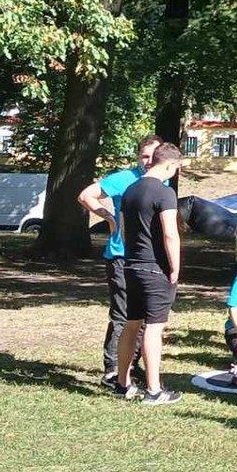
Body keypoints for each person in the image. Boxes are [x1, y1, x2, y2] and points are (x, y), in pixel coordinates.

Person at [77, 136, 162, 391]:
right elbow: (86, 195)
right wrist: (109, 217)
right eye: (144, 156)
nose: (148, 161)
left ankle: (131, 366)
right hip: (121, 256)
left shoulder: (161, 180)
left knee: (145, 316)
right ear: (138, 156)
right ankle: (113, 370)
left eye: (153, 156)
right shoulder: (125, 179)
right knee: (123, 315)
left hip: (148, 258)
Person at [112, 142, 184, 405]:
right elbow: (170, 234)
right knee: (154, 327)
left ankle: (122, 383)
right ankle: (154, 391)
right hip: (154, 269)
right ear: (168, 164)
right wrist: (174, 268)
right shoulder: (164, 193)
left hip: (130, 265)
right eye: (176, 168)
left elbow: (121, 227)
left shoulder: (130, 190)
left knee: (131, 325)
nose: (174, 173)